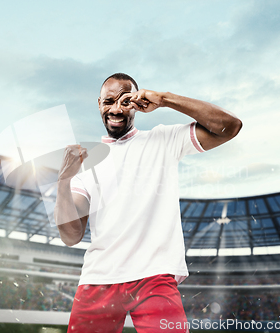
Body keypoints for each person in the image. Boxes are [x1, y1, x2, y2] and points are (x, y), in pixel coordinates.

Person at [54, 73, 242, 332]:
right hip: (99, 279)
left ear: (138, 103)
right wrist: (63, 182)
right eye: (109, 102)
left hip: (154, 276)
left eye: (125, 101)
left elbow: (229, 126)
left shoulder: (163, 140)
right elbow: (71, 236)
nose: (116, 109)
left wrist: (165, 99)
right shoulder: (87, 164)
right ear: (99, 103)